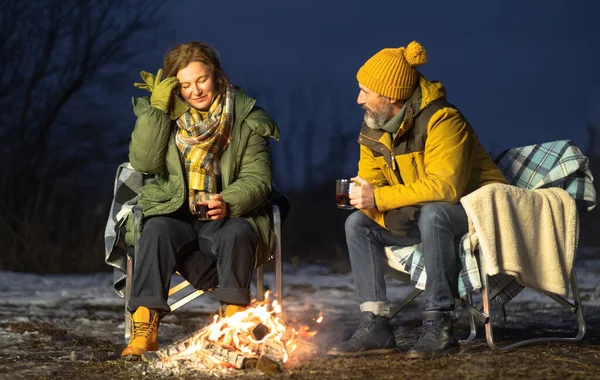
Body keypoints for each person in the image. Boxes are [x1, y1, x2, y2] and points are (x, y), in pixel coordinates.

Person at [327, 41, 507, 359]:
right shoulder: (373, 130)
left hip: (478, 211)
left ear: (391, 96)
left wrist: (378, 197)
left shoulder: (444, 120)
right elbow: (373, 184)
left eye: (365, 91)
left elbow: (447, 189)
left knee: (435, 213)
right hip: (420, 213)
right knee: (357, 223)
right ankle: (376, 325)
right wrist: (365, 200)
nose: (358, 99)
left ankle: (440, 326)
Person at [121, 41, 280, 360]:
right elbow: (146, 163)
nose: (195, 91)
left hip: (225, 217)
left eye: (202, 80)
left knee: (238, 232)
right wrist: (157, 111)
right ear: (172, 86)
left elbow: (257, 179)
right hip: (174, 213)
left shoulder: (247, 119)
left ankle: (234, 323)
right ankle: (145, 329)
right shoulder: (164, 114)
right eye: (184, 84)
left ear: (217, 76)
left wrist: (229, 201)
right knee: (155, 231)